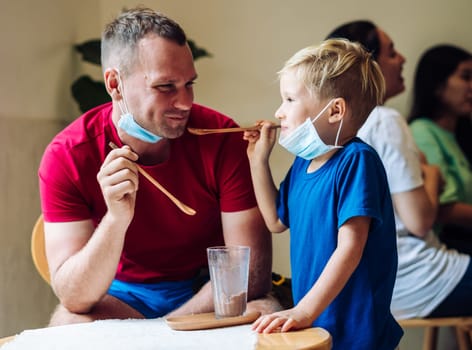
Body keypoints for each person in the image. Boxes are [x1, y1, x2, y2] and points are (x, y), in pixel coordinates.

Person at [38, 6, 279, 326]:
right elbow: (75, 296)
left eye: (189, 83)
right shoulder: (68, 155)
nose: (185, 102)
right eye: (166, 87)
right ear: (115, 84)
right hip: (120, 296)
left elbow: (250, 276)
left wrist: (164, 330)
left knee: (265, 310)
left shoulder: (222, 139)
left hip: (205, 288)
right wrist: (116, 219)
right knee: (67, 324)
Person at [244, 38, 403, 349]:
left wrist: (304, 309)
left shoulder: (357, 161)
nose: (279, 112)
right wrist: (257, 161)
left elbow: (350, 247)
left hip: (357, 332)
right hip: (318, 323)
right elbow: (276, 221)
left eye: (289, 100)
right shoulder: (304, 163)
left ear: (335, 110)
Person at [326, 20, 472, 320]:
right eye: (391, 53)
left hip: (365, 286)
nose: (403, 60)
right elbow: (419, 221)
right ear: (366, 66)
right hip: (418, 278)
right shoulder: (384, 120)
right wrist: (431, 175)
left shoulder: (330, 129)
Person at [409, 44, 472, 255]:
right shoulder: (422, 131)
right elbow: (444, 209)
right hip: (447, 245)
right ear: (437, 85)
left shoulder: (461, 134)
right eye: (466, 77)